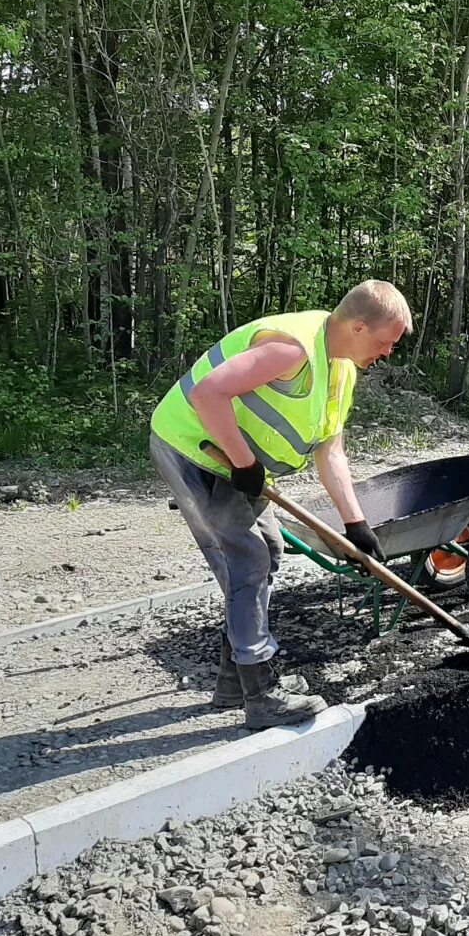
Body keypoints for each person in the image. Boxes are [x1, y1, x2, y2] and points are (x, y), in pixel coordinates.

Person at [149, 280, 410, 730]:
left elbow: (332, 453)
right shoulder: (292, 348)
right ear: (361, 327)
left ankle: (234, 680)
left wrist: (356, 526)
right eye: (387, 342)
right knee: (246, 562)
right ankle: (262, 696)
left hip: (237, 463)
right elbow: (208, 393)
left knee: (268, 552)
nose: (389, 352)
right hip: (197, 451)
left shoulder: (340, 368)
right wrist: (245, 462)